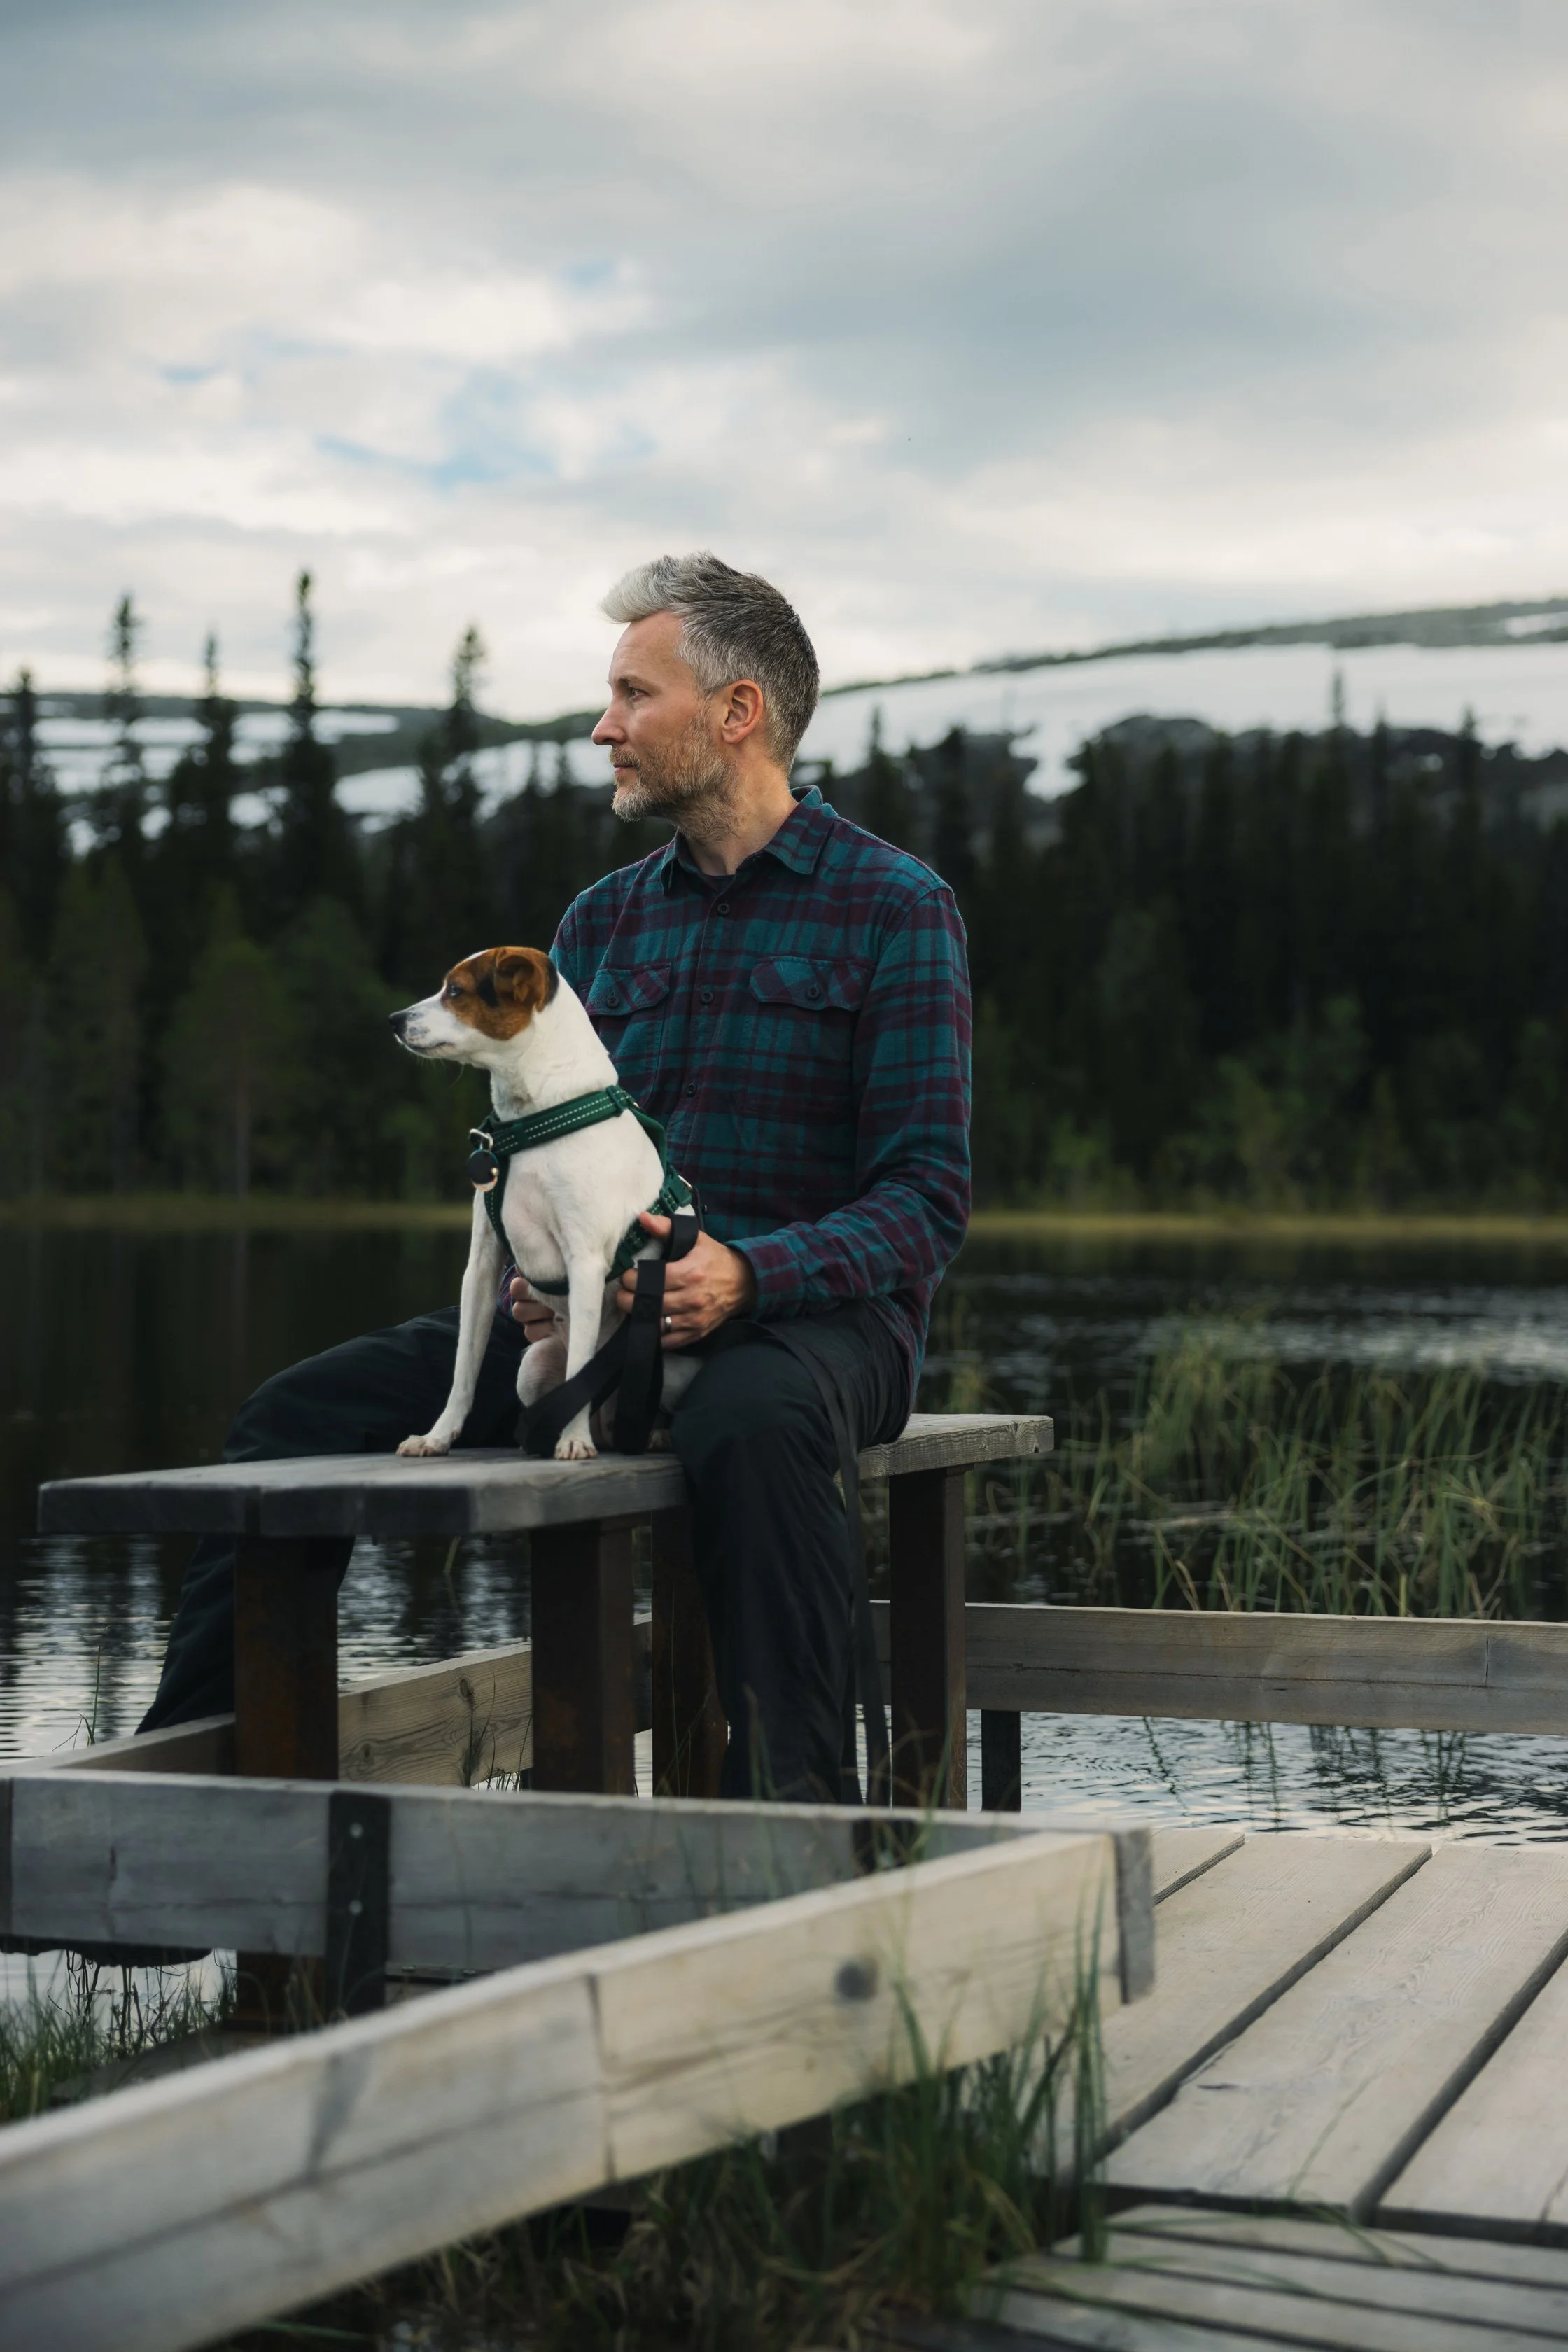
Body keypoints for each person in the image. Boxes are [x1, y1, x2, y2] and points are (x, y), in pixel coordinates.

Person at [139, 554, 972, 1802]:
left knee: (754, 1422)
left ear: (737, 713)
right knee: (291, 1422)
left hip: (808, 1330)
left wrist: (746, 1274)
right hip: (573, 1322)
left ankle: (799, 1843)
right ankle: (183, 1823)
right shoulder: (598, 924)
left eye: (635, 695)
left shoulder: (894, 908)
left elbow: (926, 1199)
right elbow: (533, 1154)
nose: (605, 726)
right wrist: (539, 1277)